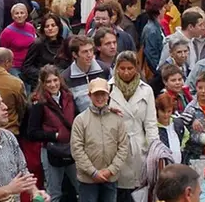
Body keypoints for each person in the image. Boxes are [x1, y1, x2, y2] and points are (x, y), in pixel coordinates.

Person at [70, 77, 130, 202]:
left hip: (111, 178)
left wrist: (111, 170)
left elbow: (123, 147)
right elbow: (77, 150)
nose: (100, 98)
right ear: (89, 95)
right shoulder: (80, 120)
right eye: (96, 94)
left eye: (103, 94)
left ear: (108, 95)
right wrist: (93, 172)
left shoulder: (117, 119)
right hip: (87, 180)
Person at [109, 52, 158, 202]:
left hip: (138, 146)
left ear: (136, 68)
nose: (126, 72)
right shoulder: (108, 88)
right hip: (114, 147)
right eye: (122, 68)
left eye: (130, 68)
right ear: (116, 68)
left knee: (137, 192)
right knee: (117, 191)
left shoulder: (146, 90)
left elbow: (150, 123)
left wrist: (153, 150)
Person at [27, 65, 78, 202]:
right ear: (42, 84)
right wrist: (54, 135)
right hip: (51, 151)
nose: (53, 84)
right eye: (48, 82)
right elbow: (32, 132)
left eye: (55, 80)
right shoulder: (38, 103)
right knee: (54, 192)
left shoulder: (69, 97)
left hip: (71, 148)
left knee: (81, 186)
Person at [61, 35, 111, 113]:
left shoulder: (104, 69)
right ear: (74, 55)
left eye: (91, 50)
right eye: (85, 52)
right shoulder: (66, 77)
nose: (89, 55)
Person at [22, 14, 69, 90]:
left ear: (59, 27)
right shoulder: (38, 44)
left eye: (53, 25)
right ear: (43, 29)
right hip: (42, 85)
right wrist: (44, 75)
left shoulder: (64, 44)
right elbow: (27, 67)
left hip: (61, 84)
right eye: (47, 26)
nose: (50, 28)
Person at [0, 3, 37, 78]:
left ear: (26, 15)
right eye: (16, 13)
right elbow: (2, 51)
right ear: (12, 16)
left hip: (28, 65)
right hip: (14, 66)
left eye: (22, 13)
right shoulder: (7, 32)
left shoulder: (31, 27)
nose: (19, 15)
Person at [141, 0, 167, 78]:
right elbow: (151, 54)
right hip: (156, 73)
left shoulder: (157, 27)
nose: (165, 10)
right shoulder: (151, 30)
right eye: (163, 8)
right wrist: (159, 72)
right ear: (159, 10)